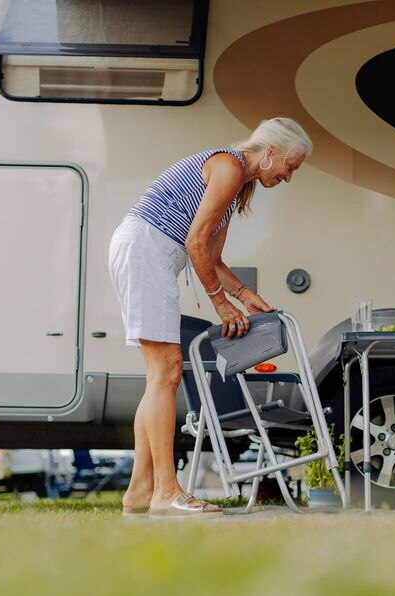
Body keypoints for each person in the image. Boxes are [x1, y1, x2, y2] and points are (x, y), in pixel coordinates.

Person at [108, 117, 312, 516]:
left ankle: (139, 491)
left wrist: (245, 295)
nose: (289, 176)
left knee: (158, 377)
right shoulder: (229, 166)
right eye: (291, 165)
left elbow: (212, 258)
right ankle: (166, 493)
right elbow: (195, 242)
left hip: (151, 253)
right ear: (270, 152)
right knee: (166, 372)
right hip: (147, 249)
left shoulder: (238, 185)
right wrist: (221, 304)